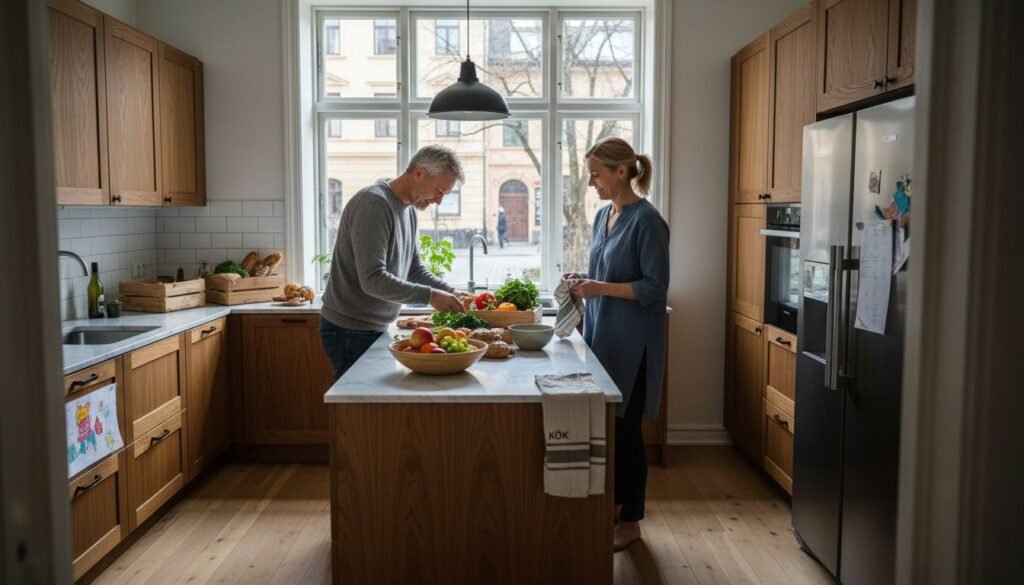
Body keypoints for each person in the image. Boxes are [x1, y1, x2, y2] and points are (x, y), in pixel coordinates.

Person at [566, 137, 669, 551]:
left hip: (633, 345)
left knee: (627, 434)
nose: (591, 182)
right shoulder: (603, 216)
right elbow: (602, 274)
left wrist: (601, 287)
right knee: (609, 429)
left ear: (621, 171)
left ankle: (631, 521)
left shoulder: (648, 221)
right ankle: (615, 504)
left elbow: (655, 286)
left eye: (596, 174)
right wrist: (583, 281)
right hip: (601, 339)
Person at [319, 145, 467, 382]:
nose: (439, 201)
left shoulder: (408, 209)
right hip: (348, 330)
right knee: (357, 407)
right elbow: (373, 280)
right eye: (438, 191)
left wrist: (450, 292)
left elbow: (413, 269)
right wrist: (431, 296)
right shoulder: (373, 204)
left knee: (374, 409)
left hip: (373, 327)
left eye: (445, 194)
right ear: (418, 172)